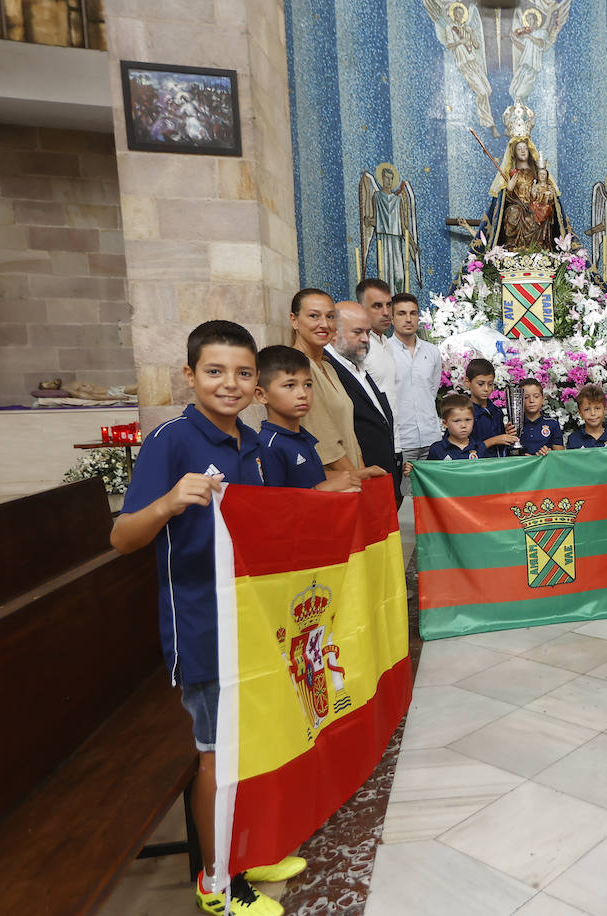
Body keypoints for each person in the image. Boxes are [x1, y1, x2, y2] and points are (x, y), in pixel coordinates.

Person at [109, 321, 305, 916]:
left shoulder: (251, 444)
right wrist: (169, 501)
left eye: (244, 373)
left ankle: (246, 850)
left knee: (256, 744)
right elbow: (121, 537)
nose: (231, 383)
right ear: (190, 375)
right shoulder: (171, 441)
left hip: (253, 622)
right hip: (203, 627)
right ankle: (216, 880)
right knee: (218, 755)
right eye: (215, 371)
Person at [254, 345, 370, 493]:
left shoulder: (301, 436)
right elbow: (277, 504)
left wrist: (357, 475)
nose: (302, 393)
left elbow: (312, 478)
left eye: (308, 385)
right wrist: (321, 489)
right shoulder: (269, 445)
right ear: (261, 395)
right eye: (290, 385)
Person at [325, 302, 401, 505]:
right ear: (334, 333)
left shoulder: (357, 366)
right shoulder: (328, 370)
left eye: (367, 332)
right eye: (357, 332)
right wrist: (356, 474)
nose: (365, 339)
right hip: (357, 483)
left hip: (379, 479)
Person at [289, 288, 363, 474]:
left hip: (351, 477)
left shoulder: (328, 367)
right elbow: (322, 437)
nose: (324, 324)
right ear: (294, 320)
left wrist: (362, 471)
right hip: (330, 478)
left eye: (330, 317)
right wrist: (355, 477)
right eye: (314, 316)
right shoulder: (297, 366)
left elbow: (348, 432)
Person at [386, 292, 443, 476]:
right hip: (402, 439)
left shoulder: (432, 352)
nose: (408, 319)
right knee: (404, 499)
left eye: (413, 313)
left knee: (433, 496)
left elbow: (432, 391)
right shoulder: (383, 351)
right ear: (392, 318)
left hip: (431, 438)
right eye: (402, 313)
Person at [355, 277, 397, 405]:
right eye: (377, 306)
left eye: (389, 305)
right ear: (361, 308)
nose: (386, 312)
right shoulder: (357, 345)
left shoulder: (385, 342)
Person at [465, 357, 518, 456]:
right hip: (477, 467)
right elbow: (461, 448)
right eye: (480, 384)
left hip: (498, 466)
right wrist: (493, 441)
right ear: (468, 382)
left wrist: (506, 434)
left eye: (490, 384)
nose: (486, 389)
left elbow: (501, 443)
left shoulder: (496, 411)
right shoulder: (464, 412)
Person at [428, 393, 482, 460]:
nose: (463, 425)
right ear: (445, 423)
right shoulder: (437, 449)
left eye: (468, 420)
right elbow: (428, 469)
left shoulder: (480, 447)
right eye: (457, 421)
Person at [518, 377, 564, 455]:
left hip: (545, 466)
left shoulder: (552, 424)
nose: (531, 400)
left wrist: (549, 453)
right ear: (519, 400)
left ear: (543, 399)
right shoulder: (514, 425)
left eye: (536, 396)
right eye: (526, 397)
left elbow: (560, 455)